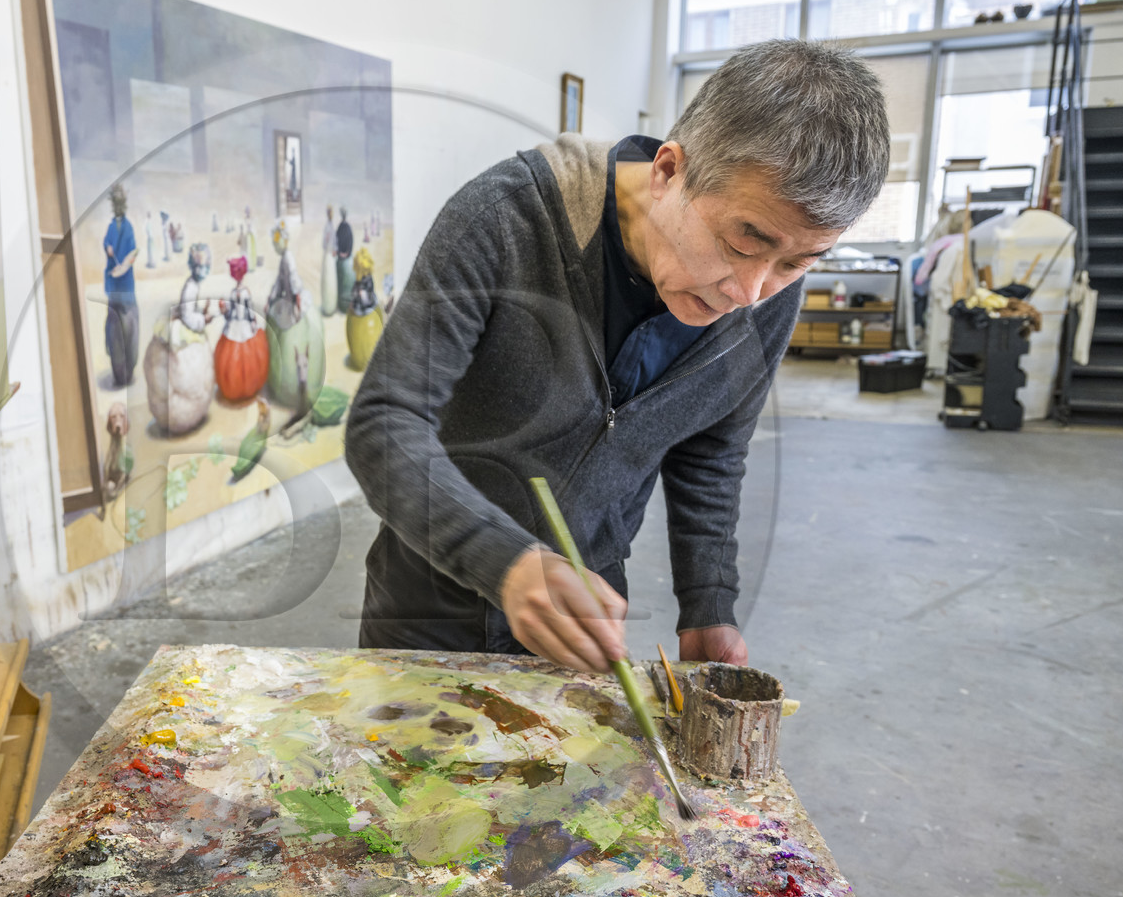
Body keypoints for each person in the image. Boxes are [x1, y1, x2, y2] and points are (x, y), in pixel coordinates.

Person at [346, 40, 889, 673]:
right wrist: (506, 563)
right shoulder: (504, 220)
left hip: (587, 610)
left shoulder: (765, 292)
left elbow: (712, 446)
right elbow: (383, 425)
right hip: (429, 599)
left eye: (796, 263)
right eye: (744, 240)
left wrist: (709, 604)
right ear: (667, 173)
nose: (750, 294)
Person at [102, 184, 140, 387]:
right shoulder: (110, 227)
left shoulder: (129, 227)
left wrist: (125, 264)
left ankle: (129, 370)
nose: (118, 207)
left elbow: (133, 253)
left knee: (129, 328)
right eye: (115, 203)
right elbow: (106, 242)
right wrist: (107, 247)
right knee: (113, 329)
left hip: (126, 288)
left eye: (120, 203)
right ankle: (118, 374)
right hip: (113, 285)